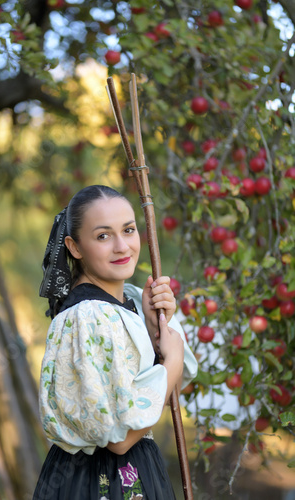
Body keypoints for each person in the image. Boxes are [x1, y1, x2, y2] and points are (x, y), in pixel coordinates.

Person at [33, 185, 198, 500]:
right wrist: (171, 363)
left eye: (129, 230)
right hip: (101, 480)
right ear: (75, 247)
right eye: (103, 236)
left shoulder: (132, 301)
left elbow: (173, 389)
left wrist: (154, 328)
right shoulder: (86, 316)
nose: (123, 246)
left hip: (134, 470)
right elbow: (118, 440)